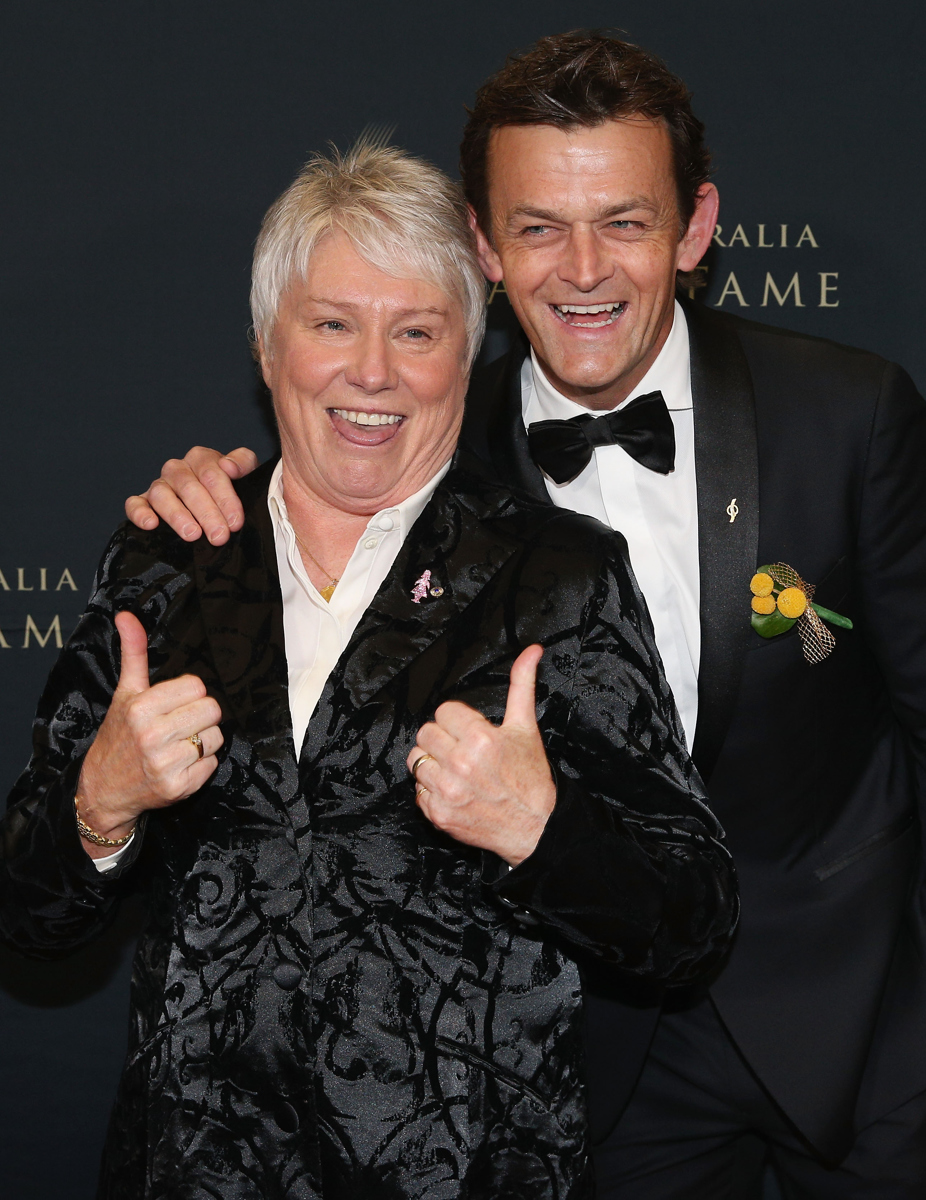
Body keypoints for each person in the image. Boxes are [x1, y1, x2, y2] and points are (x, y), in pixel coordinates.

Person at [131, 31, 926, 1200]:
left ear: (696, 229)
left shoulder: (848, 416)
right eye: (540, 227)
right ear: (485, 247)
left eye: (627, 222)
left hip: (865, 1029)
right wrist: (209, 499)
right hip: (592, 1059)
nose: (583, 269)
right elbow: (305, 505)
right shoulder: (428, 449)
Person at [0, 139, 737, 1200]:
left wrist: (543, 830)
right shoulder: (168, 562)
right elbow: (28, 908)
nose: (374, 372)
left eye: (418, 332)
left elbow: (693, 918)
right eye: (333, 324)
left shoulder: (556, 575)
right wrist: (100, 804)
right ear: (268, 345)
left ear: (465, 352)